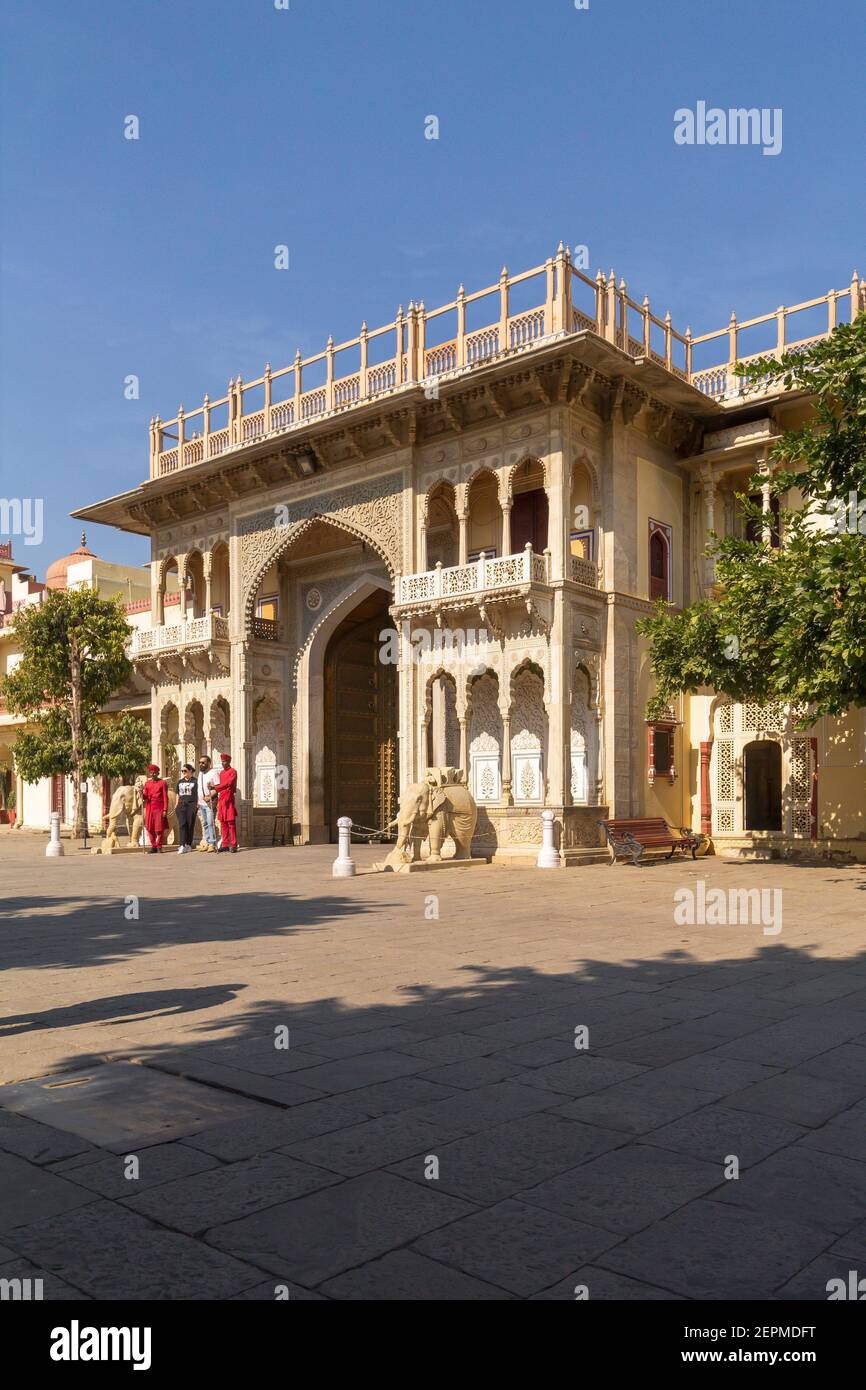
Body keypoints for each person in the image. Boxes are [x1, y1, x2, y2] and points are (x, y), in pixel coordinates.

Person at [141, 763, 169, 854]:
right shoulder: (147, 783)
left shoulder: (162, 783)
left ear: (158, 773)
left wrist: (165, 809)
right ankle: (153, 846)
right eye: (151, 772)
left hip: (159, 807)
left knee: (159, 828)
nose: (152, 774)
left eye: (154, 773)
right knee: (149, 828)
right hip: (149, 807)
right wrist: (141, 792)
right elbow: (144, 797)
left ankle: (159, 845)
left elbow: (165, 797)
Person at [196, 755, 220, 853]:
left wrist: (209, 796)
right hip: (201, 803)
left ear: (209, 763)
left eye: (203, 763)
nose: (201, 764)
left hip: (210, 802)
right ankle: (206, 842)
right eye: (200, 762)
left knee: (211, 823)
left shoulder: (213, 773)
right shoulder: (200, 774)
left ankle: (212, 844)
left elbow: (218, 788)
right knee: (205, 823)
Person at [215, 752, 238, 852]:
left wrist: (216, 787)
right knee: (223, 823)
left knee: (231, 823)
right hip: (222, 800)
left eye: (224, 761)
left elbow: (228, 784)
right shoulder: (221, 773)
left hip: (229, 800)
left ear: (228, 762)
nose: (222, 763)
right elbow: (220, 787)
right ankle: (224, 844)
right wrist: (213, 788)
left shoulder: (233, 771)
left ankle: (233, 844)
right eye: (222, 762)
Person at [175, 764, 198, 854]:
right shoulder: (180, 781)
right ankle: (181, 845)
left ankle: (188, 844)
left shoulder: (195, 781)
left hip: (191, 804)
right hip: (181, 804)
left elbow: (197, 794)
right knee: (182, 824)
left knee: (190, 824)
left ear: (190, 771)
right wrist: (176, 805)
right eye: (182, 771)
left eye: (185, 771)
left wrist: (197, 805)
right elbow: (177, 794)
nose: (183, 773)